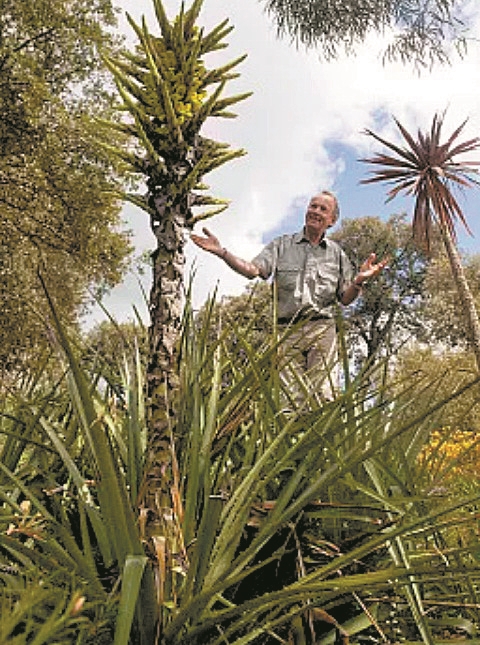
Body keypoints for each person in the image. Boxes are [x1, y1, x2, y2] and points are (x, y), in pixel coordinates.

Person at [191, 191, 387, 401]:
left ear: (331, 221)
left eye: (323, 209)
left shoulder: (337, 254)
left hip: (322, 330)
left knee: (322, 396)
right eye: (313, 206)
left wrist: (358, 281)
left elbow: (345, 299)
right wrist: (222, 252)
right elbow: (252, 270)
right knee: (289, 402)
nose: (315, 211)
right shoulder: (281, 245)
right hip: (286, 331)